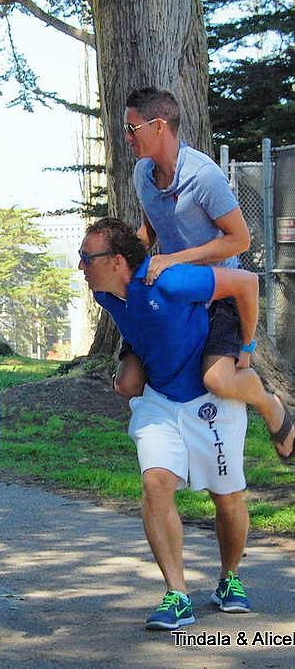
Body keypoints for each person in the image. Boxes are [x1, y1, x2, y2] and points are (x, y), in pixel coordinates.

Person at [79, 217, 258, 630]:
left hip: (210, 400)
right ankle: (177, 594)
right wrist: (130, 365)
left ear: (117, 261)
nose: (82, 266)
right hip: (159, 401)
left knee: (227, 498)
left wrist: (244, 349)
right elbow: (142, 329)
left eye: (88, 258)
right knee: (155, 483)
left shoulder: (170, 281)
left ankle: (229, 578)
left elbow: (246, 283)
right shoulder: (106, 294)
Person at [117, 86, 294, 464]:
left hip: (219, 295)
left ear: (159, 125)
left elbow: (240, 240)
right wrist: (121, 261)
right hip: (171, 293)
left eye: (132, 129)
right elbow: (151, 229)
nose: (127, 137)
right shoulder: (142, 175)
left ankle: (270, 403)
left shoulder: (204, 176)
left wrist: (176, 258)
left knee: (217, 380)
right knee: (128, 383)